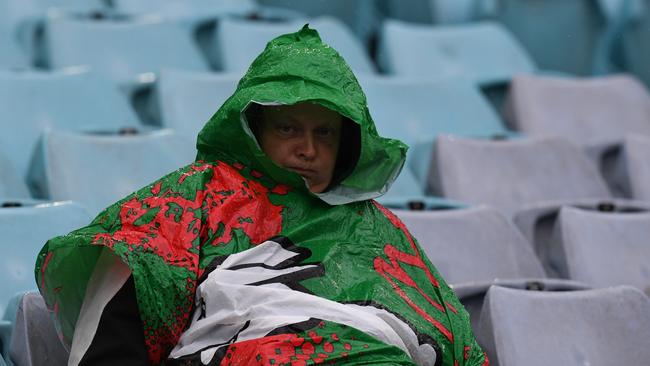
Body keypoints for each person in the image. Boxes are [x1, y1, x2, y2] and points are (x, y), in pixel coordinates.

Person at [35, 26, 489, 365]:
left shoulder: (377, 228)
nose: (307, 148)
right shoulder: (189, 201)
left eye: (325, 134)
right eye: (288, 128)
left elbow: (447, 332)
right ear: (252, 127)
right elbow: (114, 334)